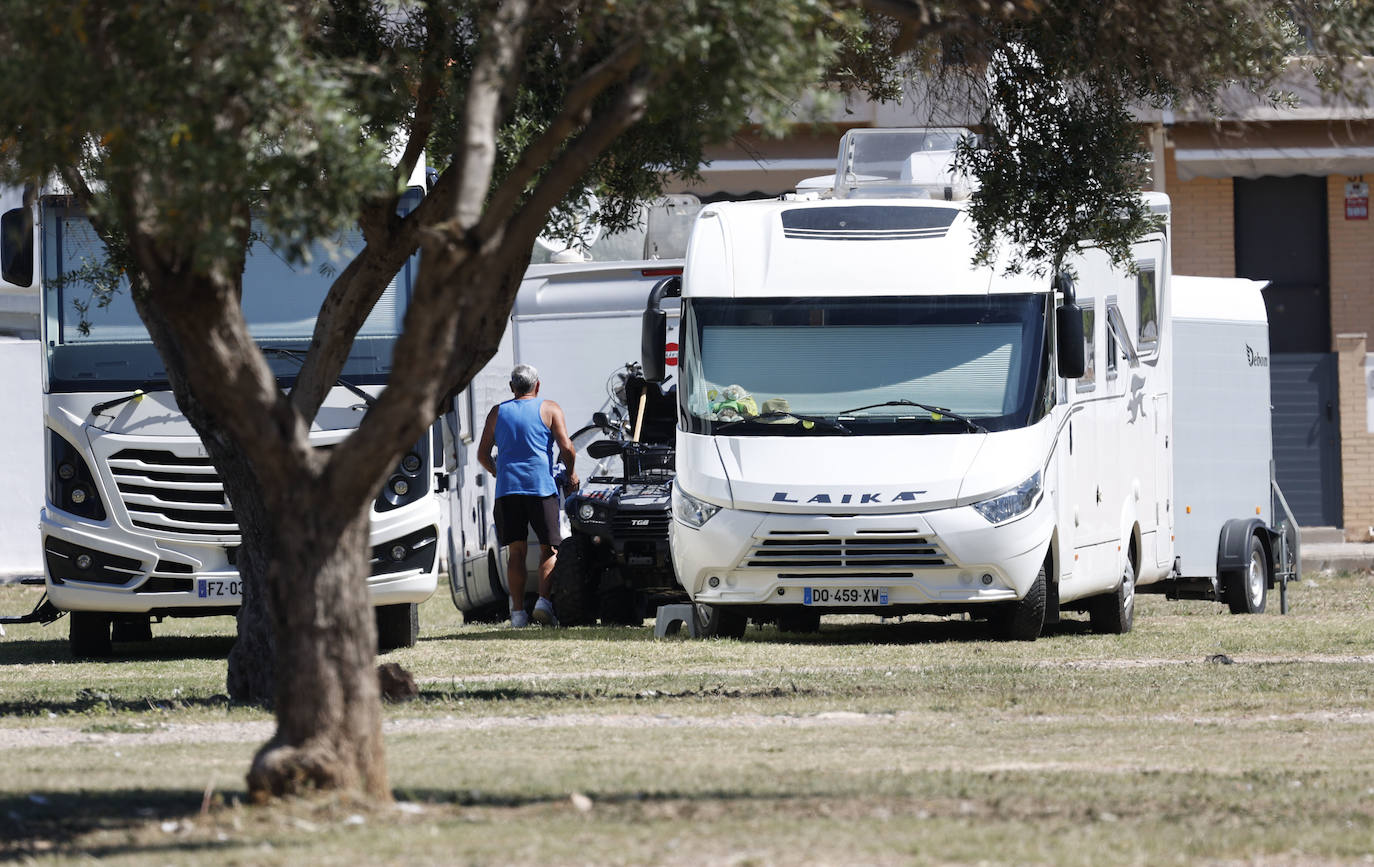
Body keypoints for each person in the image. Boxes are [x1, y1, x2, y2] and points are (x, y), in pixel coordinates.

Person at [477, 363, 579, 627]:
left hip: (508, 490)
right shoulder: (550, 408)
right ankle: (544, 603)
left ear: (512, 387)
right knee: (550, 548)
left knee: (516, 551)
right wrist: (571, 473)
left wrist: (497, 472)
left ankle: (518, 614)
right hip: (541, 487)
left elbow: (482, 454)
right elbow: (567, 448)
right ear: (538, 385)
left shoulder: (497, 412)